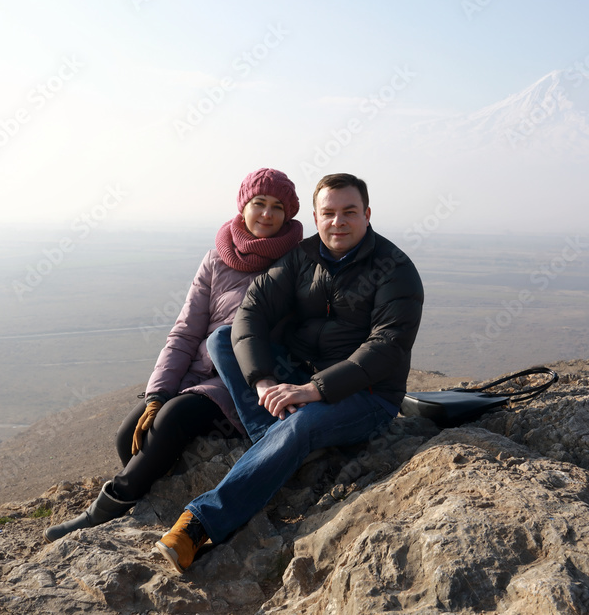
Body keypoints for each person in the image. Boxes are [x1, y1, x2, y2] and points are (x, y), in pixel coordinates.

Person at [155, 173, 424, 573]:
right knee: (222, 339)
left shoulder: (395, 268)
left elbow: (387, 347)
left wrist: (314, 390)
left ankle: (200, 524)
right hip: (297, 376)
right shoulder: (302, 256)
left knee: (302, 425)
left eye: (350, 212)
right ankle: (280, 446)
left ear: (367, 214)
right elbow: (251, 313)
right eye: (329, 213)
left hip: (367, 395)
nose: (338, 222)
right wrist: (262, 379)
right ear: (316, 217)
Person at [43, 168, 303, 543]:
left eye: (278, 207)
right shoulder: (217, 258)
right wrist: (157, 394)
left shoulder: (298, 264)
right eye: (258, 203)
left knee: (175, 418)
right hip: (198, 373)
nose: (267, 213)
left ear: (288, 215)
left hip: (244, 380)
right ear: (243, 206)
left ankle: (105, 510)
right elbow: (185, 332)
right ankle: (156, 501)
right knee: (131, 433)